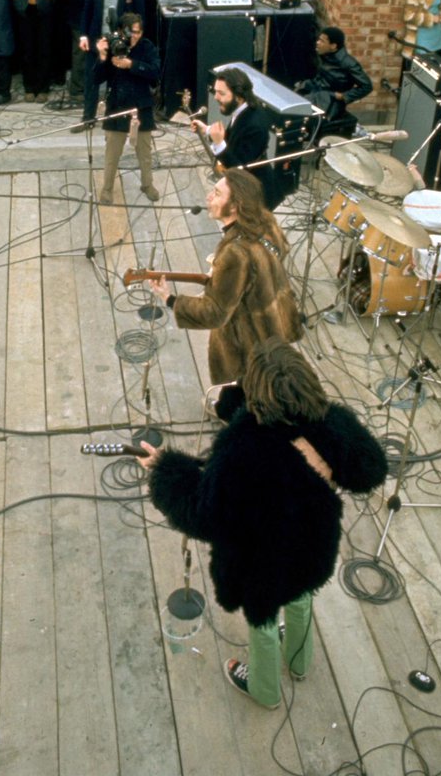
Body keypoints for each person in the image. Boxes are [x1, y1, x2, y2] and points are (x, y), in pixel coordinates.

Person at [138, 338, 387, 709]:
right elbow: (372, 469)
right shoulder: (332, 422)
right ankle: (299, 662)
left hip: (261, 561)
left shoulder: (241, 446)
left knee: (264, 619)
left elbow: (205, 513)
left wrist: (162, 469)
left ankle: (265, 689)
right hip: (312, 544)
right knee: (302, 595)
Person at [149, 171, 302, 383]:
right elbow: (275, 255)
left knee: (248, 393)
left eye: (217, 193)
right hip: (277, 323)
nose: (208, 197)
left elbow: (215, 313)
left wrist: (170, 299)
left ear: (234, 206)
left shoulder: (235, 253)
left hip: (251, 342)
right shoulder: (266, 223)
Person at [94, 12, 161, 204]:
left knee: (145, 153)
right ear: (121, 30)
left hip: (141, 107)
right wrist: (102, 55)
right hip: (117, 106)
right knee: (112, 154)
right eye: (131, 32)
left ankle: (147, 184)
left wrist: (132, 64)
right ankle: (107, 188)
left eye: (138, 32)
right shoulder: (112, 43)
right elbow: (96, 78)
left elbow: (155, 71)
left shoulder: (146, 47)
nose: (135, 36)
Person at [79, 0, 143, 125]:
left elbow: (140, 18)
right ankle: (88, 117)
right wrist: (84, 36)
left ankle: (113, 117)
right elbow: (87, 11)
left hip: (120, 43)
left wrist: (131, 41)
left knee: (116, 80)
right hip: (97, 40)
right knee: (92, 79)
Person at [192, 68, 275, 205]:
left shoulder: (255, 125)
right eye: (215, 92)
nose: (215, 97)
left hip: (255, 197)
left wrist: (219, 143)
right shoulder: (243, 110)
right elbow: (236, 140)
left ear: (238, 96)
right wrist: (207, 130)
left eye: (221, 93)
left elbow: (239, 169)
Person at [296, 27, 373, 129]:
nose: (317, 43)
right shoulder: (325, 55)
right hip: (315, 91)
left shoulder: (348, 63)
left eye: (322, 41)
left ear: (333, 46)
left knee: (301, 116)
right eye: (318, 39)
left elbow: (367, 86)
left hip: (330, 102)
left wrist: (344, 96)